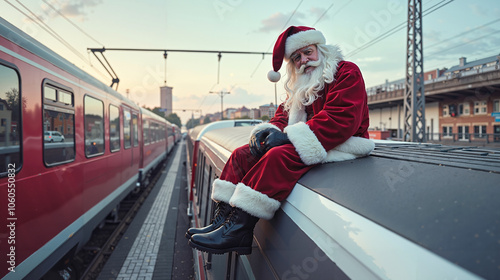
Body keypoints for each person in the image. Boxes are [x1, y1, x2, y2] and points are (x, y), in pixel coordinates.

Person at [186, 26, 375, 255]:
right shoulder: (302, 84)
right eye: (297, 58)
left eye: (308, 52)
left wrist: (286, 137)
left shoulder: (346, 72)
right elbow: (282, 116)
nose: (304, 60)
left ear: (320, 49)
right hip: (310, 139)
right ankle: (223, 220)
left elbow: (342, 119)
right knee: (242, 154)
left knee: (278, 156)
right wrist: (267, 132)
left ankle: (238, 230)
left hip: (342, 143)